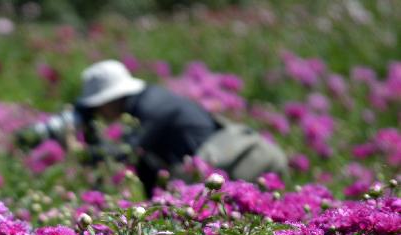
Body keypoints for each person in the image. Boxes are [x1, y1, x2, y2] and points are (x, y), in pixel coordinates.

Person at [18, 60, 288, 196]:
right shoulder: (148, 100)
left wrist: (78, 150)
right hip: (223, 165)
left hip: (237, 166)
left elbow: (125, 154)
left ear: (111, 99)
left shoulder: (150, 109)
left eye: (97, 106)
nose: (98, 113)